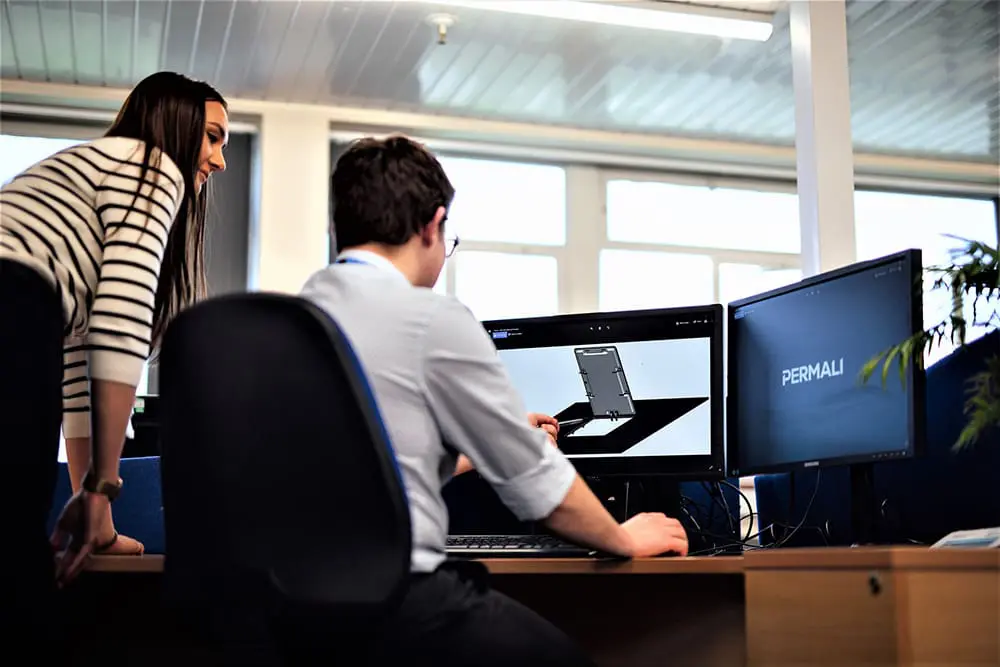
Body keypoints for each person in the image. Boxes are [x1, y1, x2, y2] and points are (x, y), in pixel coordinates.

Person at [300, 135, 689, 666]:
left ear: (337, 227)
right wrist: (622, 537)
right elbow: (538, 485)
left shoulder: (292, 318)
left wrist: (475, 449)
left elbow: (372, 464)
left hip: (283, 604)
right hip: (397, 603)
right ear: (432, 226)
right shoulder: (430, 318)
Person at [0, 71, 229, 640]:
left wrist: (92, 505)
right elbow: (119, 326)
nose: (220, 160)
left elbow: (78, 361)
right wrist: (102, 489)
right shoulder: (153, 168)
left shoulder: (96, 167)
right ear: (175, 125)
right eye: (214, 136)